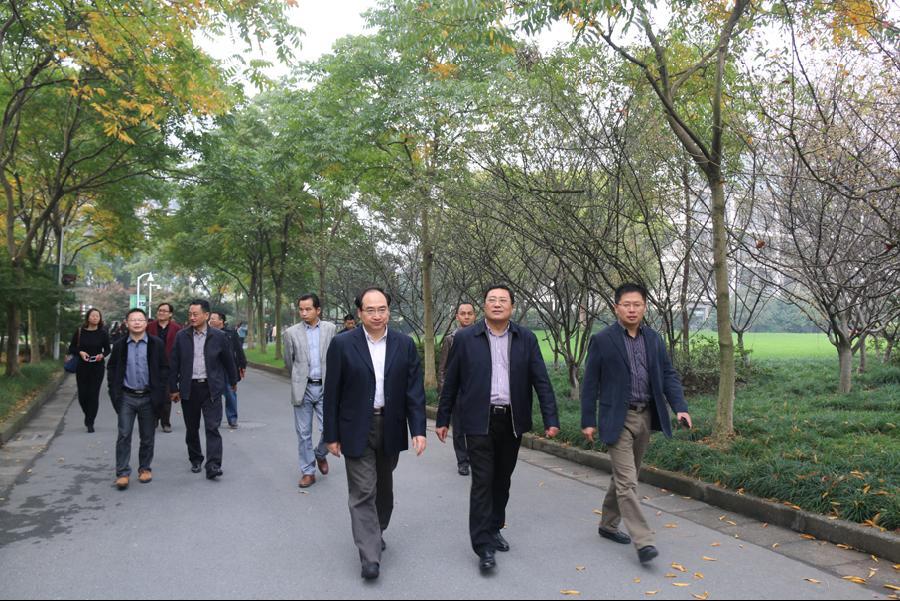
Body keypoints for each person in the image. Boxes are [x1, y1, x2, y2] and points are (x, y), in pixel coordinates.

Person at [436, 284, 560, 572]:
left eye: (503, 300)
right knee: (482, 481)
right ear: (484, 306)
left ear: (512, 307)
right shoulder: (465, 338)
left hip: (512, 420)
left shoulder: (525, 338)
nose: (497, 304)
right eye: (492, 299)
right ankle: (483, 547)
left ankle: (494, 528)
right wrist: (443, 418)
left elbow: (541, 380)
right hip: (479, 420)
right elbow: (452, 381)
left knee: (502, 480)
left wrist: (551, 418)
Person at [580, 282, 692, 564]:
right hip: (617, 418)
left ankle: (607, 524)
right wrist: (588, 421)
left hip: (646, 416)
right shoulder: (602, 340)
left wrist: (680, 408)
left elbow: (668, 374)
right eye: (626, 305)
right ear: (616, 307)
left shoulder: (653, 339)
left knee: (624, 477)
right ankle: (644, 541)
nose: (632, 309)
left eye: (637, 305)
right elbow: (590, 384)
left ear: (644, 307)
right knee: (628, 481)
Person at [324, 287, 427, 581]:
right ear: (360, 313)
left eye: (382, 309)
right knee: (363, 491)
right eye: (370, 310)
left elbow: (414, 391)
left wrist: (418, 430)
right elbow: (332, 392)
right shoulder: (343, 344)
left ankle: (376, 529)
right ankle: (370, 557)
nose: (377, 315)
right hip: (356, 426)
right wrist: (331, 434)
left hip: (390, 425)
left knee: (384, 491)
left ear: (389, 311)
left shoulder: (404, 344)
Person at [168, 299, 238, 480]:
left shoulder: (218, 336)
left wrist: (233, 380)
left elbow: (228, 360)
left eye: (195, 314)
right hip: (189, 388)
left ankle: (213, 465)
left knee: (212, 427)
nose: (192, 317)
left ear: (206, 315)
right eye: (190, 314)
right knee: (192, 428)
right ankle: (196, 458)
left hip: (211, 388)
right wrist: (173, 388)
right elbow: (174, 363)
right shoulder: (182, 336)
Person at [106, 308, 169, 490]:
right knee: (124, 434)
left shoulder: (156, 344)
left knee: (147, 436)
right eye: (133, 319)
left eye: (140, 319)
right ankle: (122, 472)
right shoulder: (120, 345)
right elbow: (112, 368)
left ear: (146, 323)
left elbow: (164, 368)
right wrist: (113, 391)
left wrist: (160, 389)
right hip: (126, 396)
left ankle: (145, 468)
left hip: (148, 397)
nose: (136, 323)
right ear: (126, 323)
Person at [284, 294, 336, 488]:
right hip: (303, 389)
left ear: (318, 310)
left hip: (326, 387)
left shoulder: (330, 329)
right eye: (301, 309)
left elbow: (336, 356)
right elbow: (289, 362)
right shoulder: (291, 333)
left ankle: (320, 454)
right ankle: (308, 472)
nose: (304, 313)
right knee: (303, 433)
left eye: (308, 309)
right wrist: (300, 378)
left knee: (331, 429)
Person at [437, 301, 477, 476]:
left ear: (475, 316)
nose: (466, 317)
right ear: (457, 317)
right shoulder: (450, 339)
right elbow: (443, 369)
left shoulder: (482, 336)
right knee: (459, 429)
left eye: (469, 313)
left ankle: (476, 458)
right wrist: (445, 394)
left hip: (477, 391)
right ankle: (462, 461)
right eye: (463, 313)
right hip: (458, 391)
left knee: (477, 428)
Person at [67, 308, 111, 433]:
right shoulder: (80, 332)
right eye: (93, 316)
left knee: (93, 394)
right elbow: (71, 348)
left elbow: (108, 349)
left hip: (97, 367)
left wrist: (102, 355)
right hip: (82, 366)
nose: (95, 318)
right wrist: (80, 352)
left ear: (100, 318)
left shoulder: (103, 333)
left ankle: (90, 421)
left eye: (97, 316)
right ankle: (87, 414)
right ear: (88, 317)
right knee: (83, 395)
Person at [147, 302, 182, 433]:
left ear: (170, 314)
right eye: (160, 310)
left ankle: (165, 422)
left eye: (164, 311)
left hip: (169, 366)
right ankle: (154, 419)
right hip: (152, 365)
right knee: (153, 394)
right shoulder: (149, 327)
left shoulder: (177, 328)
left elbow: (180, 348)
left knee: (167, 396)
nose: (161, 313)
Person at [209, 310, 247, 428]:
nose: (210, 321)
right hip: (213, 368)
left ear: (221, 321)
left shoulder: (231, 333)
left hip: (228, 369)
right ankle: (215, 420)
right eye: (210, 318)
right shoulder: (207, 333)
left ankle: (232, 419)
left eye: (213, 318)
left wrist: (242, 365)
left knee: (230, 394)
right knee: (213, 395)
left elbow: (238, 350)